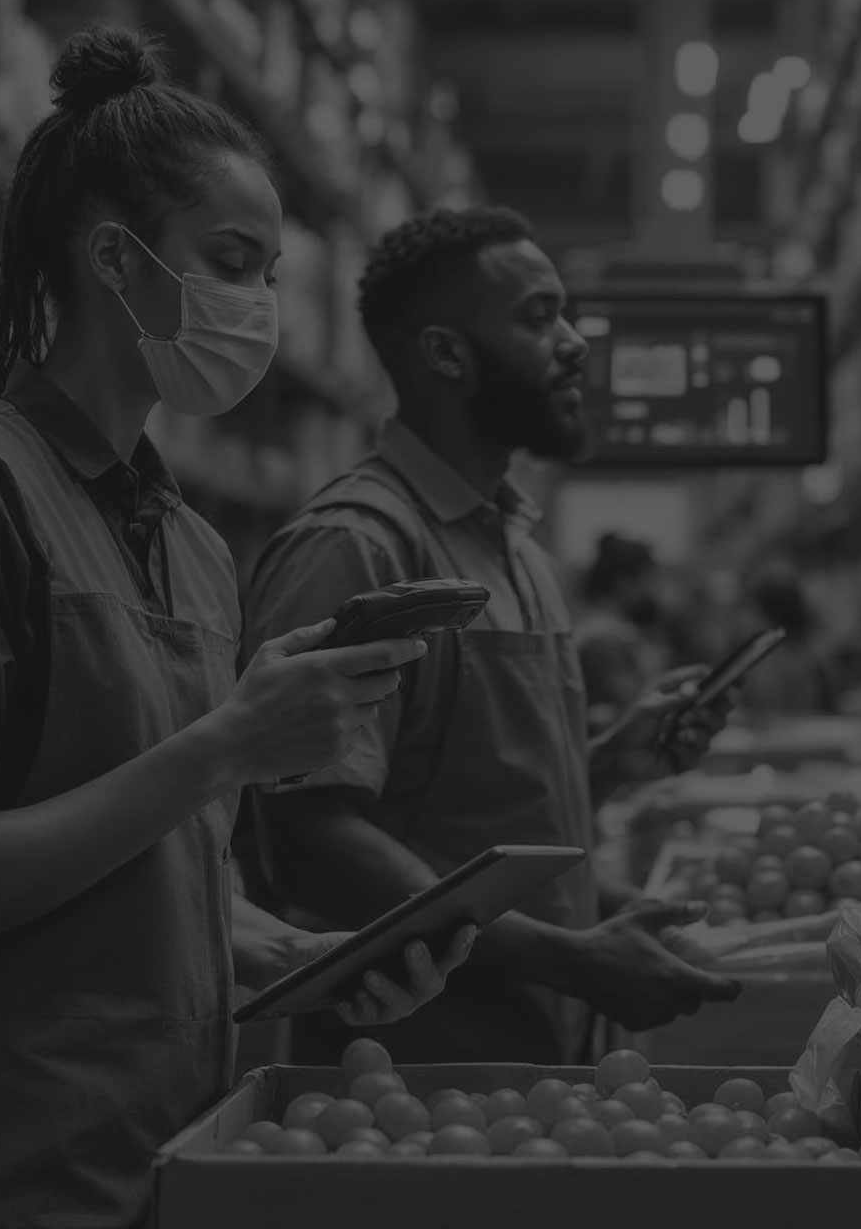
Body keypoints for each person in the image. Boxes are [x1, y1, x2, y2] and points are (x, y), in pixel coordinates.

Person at [0, 28, 472, 1229]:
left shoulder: (193, 544)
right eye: (232, 261)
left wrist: (297, 958)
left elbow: (157, 873)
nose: (260, 307)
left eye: (271, 273)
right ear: (115, 261)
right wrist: (226, 744)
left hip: (169, 1152)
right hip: (1, 1177)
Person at [244, 207, 742, 1065]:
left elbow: (466, 816)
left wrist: (612, 760)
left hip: (535, 1061)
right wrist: (572, 958)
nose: (577, 343)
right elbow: (314, 840)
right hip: (406, 1076)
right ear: (445, 353)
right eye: (539, 317)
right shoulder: (358, 547)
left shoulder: (517, 547)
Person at [573, 531, 670, 730]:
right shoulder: (601, 640)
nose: (653, 591)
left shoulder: (618, 630)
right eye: (649, 580)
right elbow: (638, 704)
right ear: (624, 583)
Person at [738, 566, 840, 716]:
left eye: (752, 611)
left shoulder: (765, 662)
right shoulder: (816, 651)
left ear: (767, 615)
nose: (746, 618)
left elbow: (762, 713)